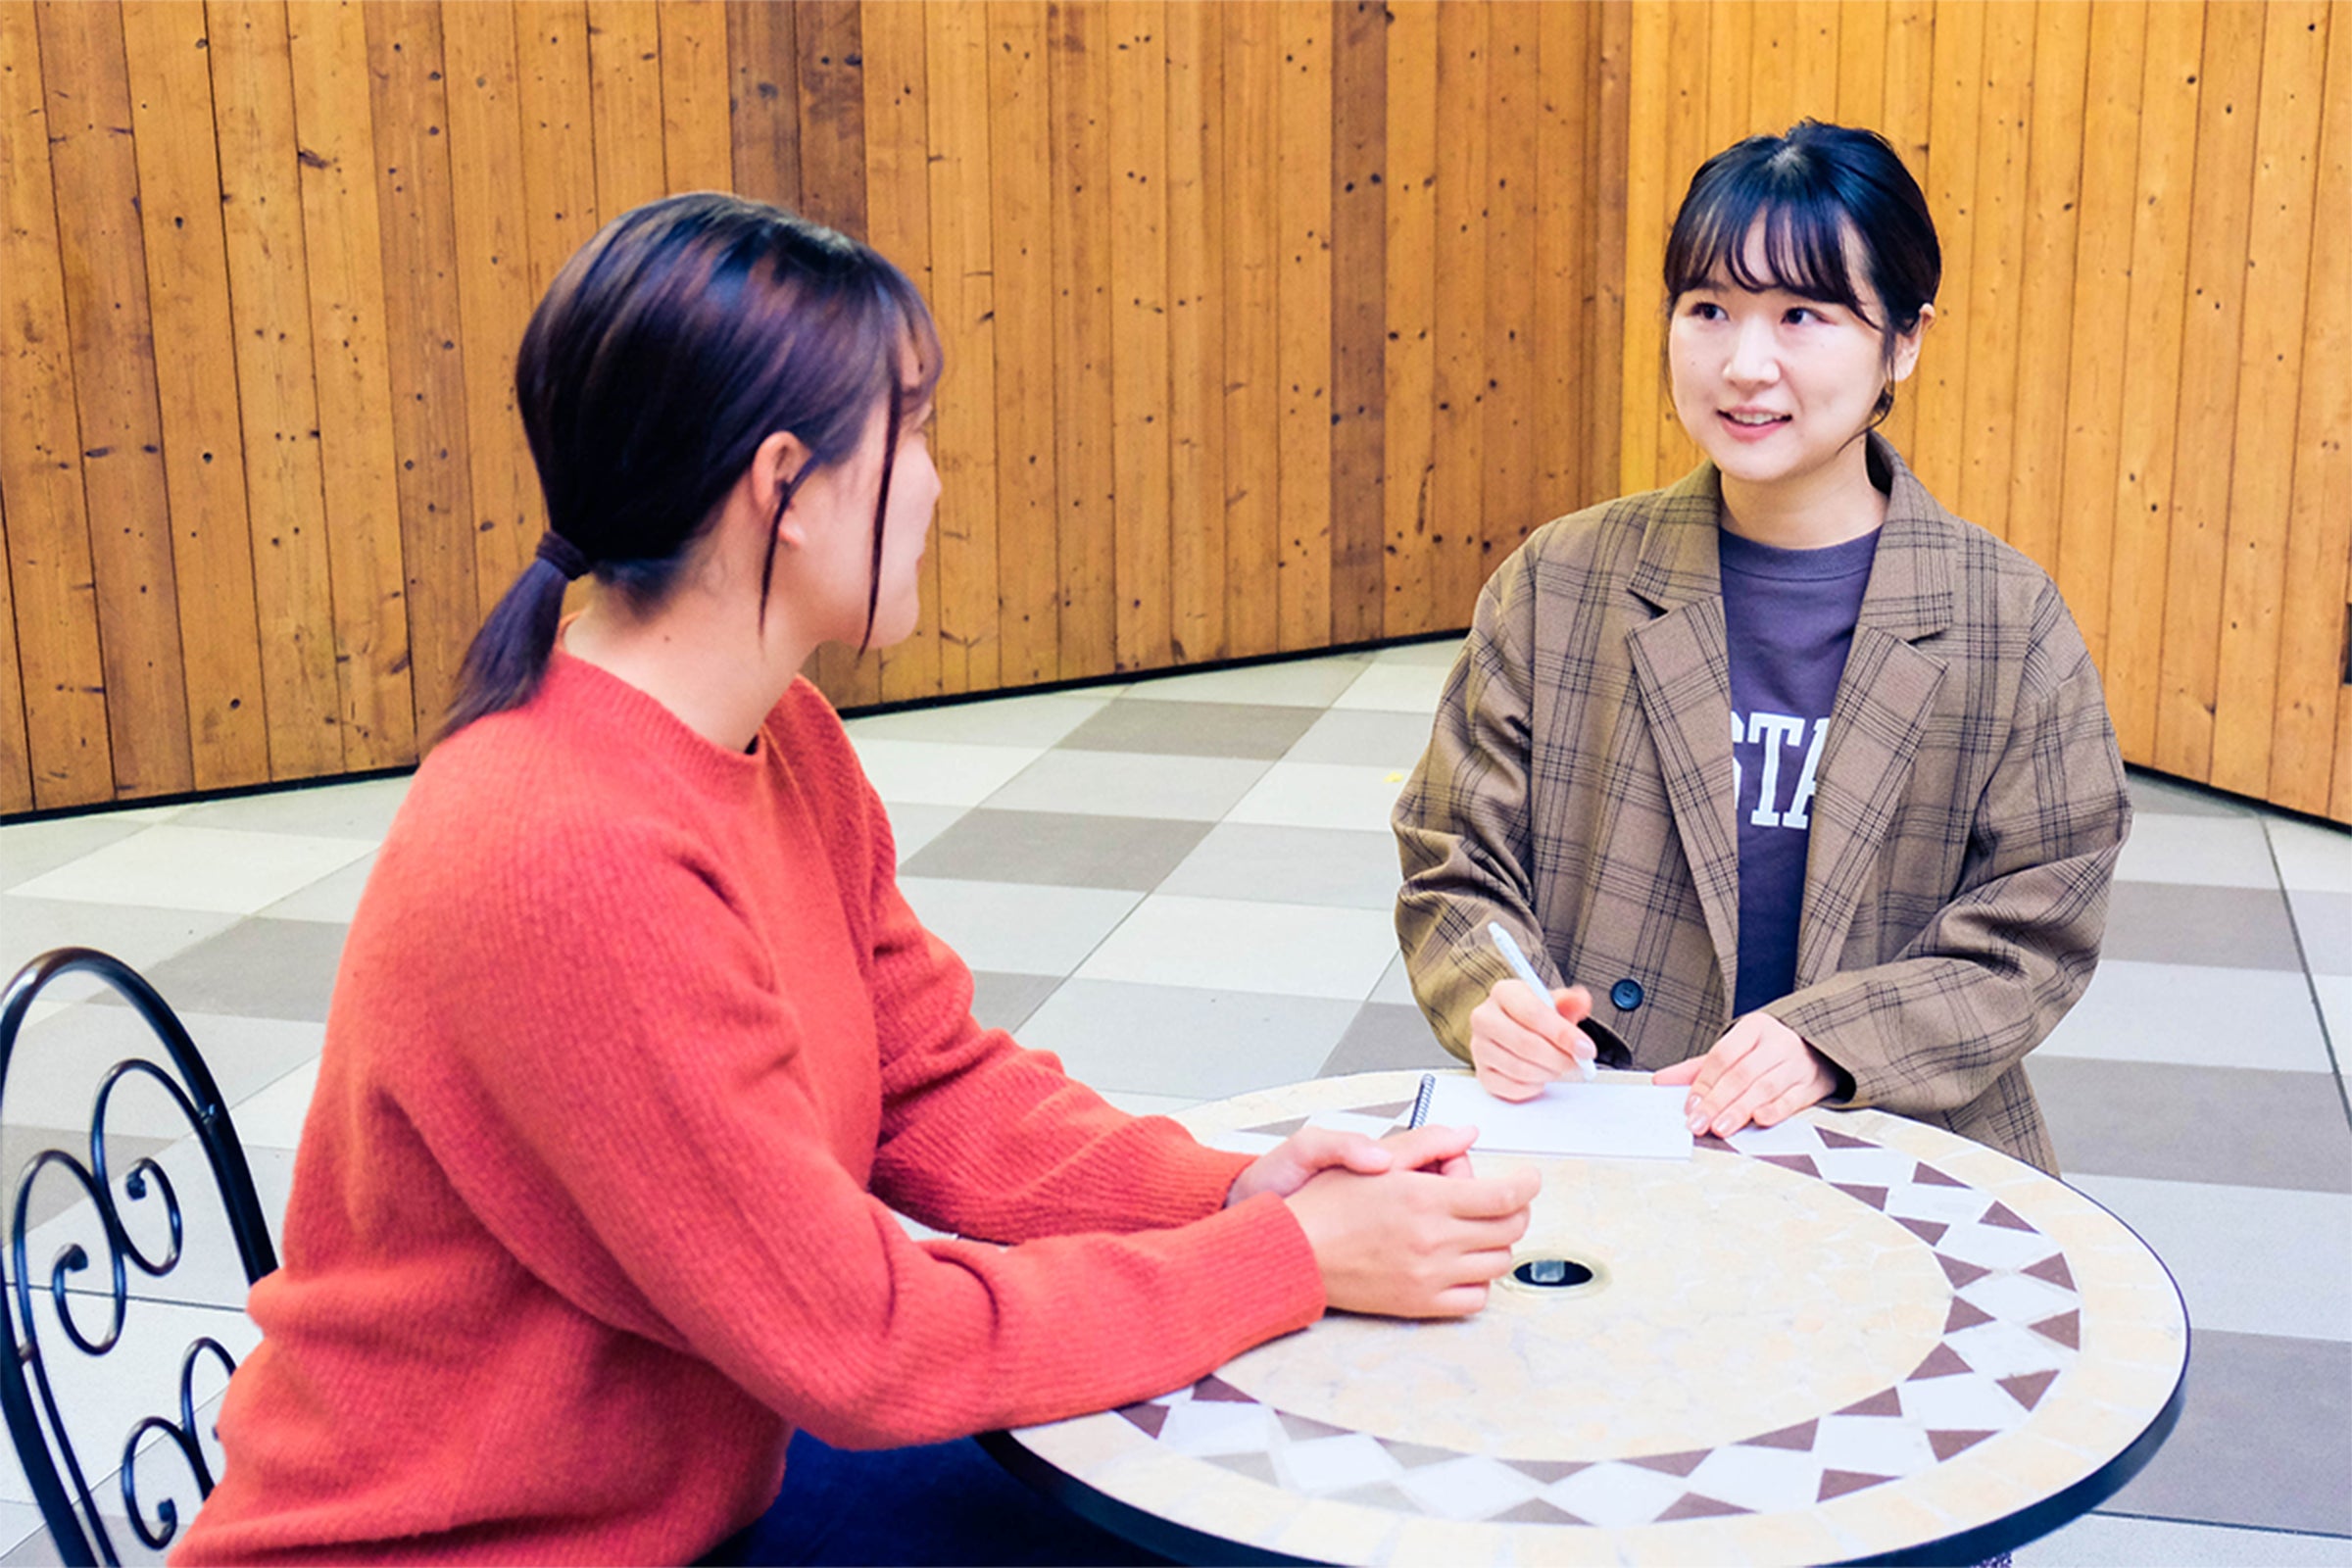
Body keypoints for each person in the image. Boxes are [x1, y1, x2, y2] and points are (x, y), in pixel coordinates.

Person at [175, 193, 1540, 1567]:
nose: (936, 484)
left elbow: (927, 1078)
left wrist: (1229, 1194)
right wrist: (1293, 1259)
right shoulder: (567, 852)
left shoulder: (781, 735)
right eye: (915, 432)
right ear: (784, 485)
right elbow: (866, 1344)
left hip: (694, 1484)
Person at [1393, 122, 2130, 1176]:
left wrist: (1834, 1042)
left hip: (1890, 1141)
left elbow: (2038, 922)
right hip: (1603, 1125)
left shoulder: (2008, 620)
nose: (1745, 366)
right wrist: (1492, 995)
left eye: (1802, 315)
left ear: (1905, 340)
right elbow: (1453, 854)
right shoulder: (1560, 580)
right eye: (1708, 310)